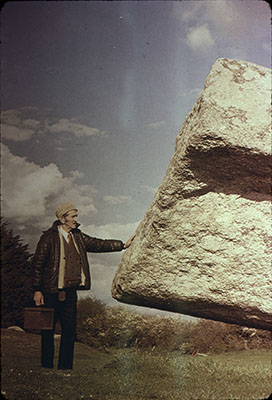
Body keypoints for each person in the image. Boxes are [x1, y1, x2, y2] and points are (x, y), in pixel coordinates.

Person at [32, 202, 133, 370]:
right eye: (72, 216)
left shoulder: (78, 236)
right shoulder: (48, 238)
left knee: (69, 331)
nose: (76, 220)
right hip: (50, 291)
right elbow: (37, 264)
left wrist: (122, 245)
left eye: (76, 216)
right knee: (47, 331)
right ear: (61, 218)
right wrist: (37, 290)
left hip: (70, 292)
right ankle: (46, 367)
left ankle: (65, 368)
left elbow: (97, 244)